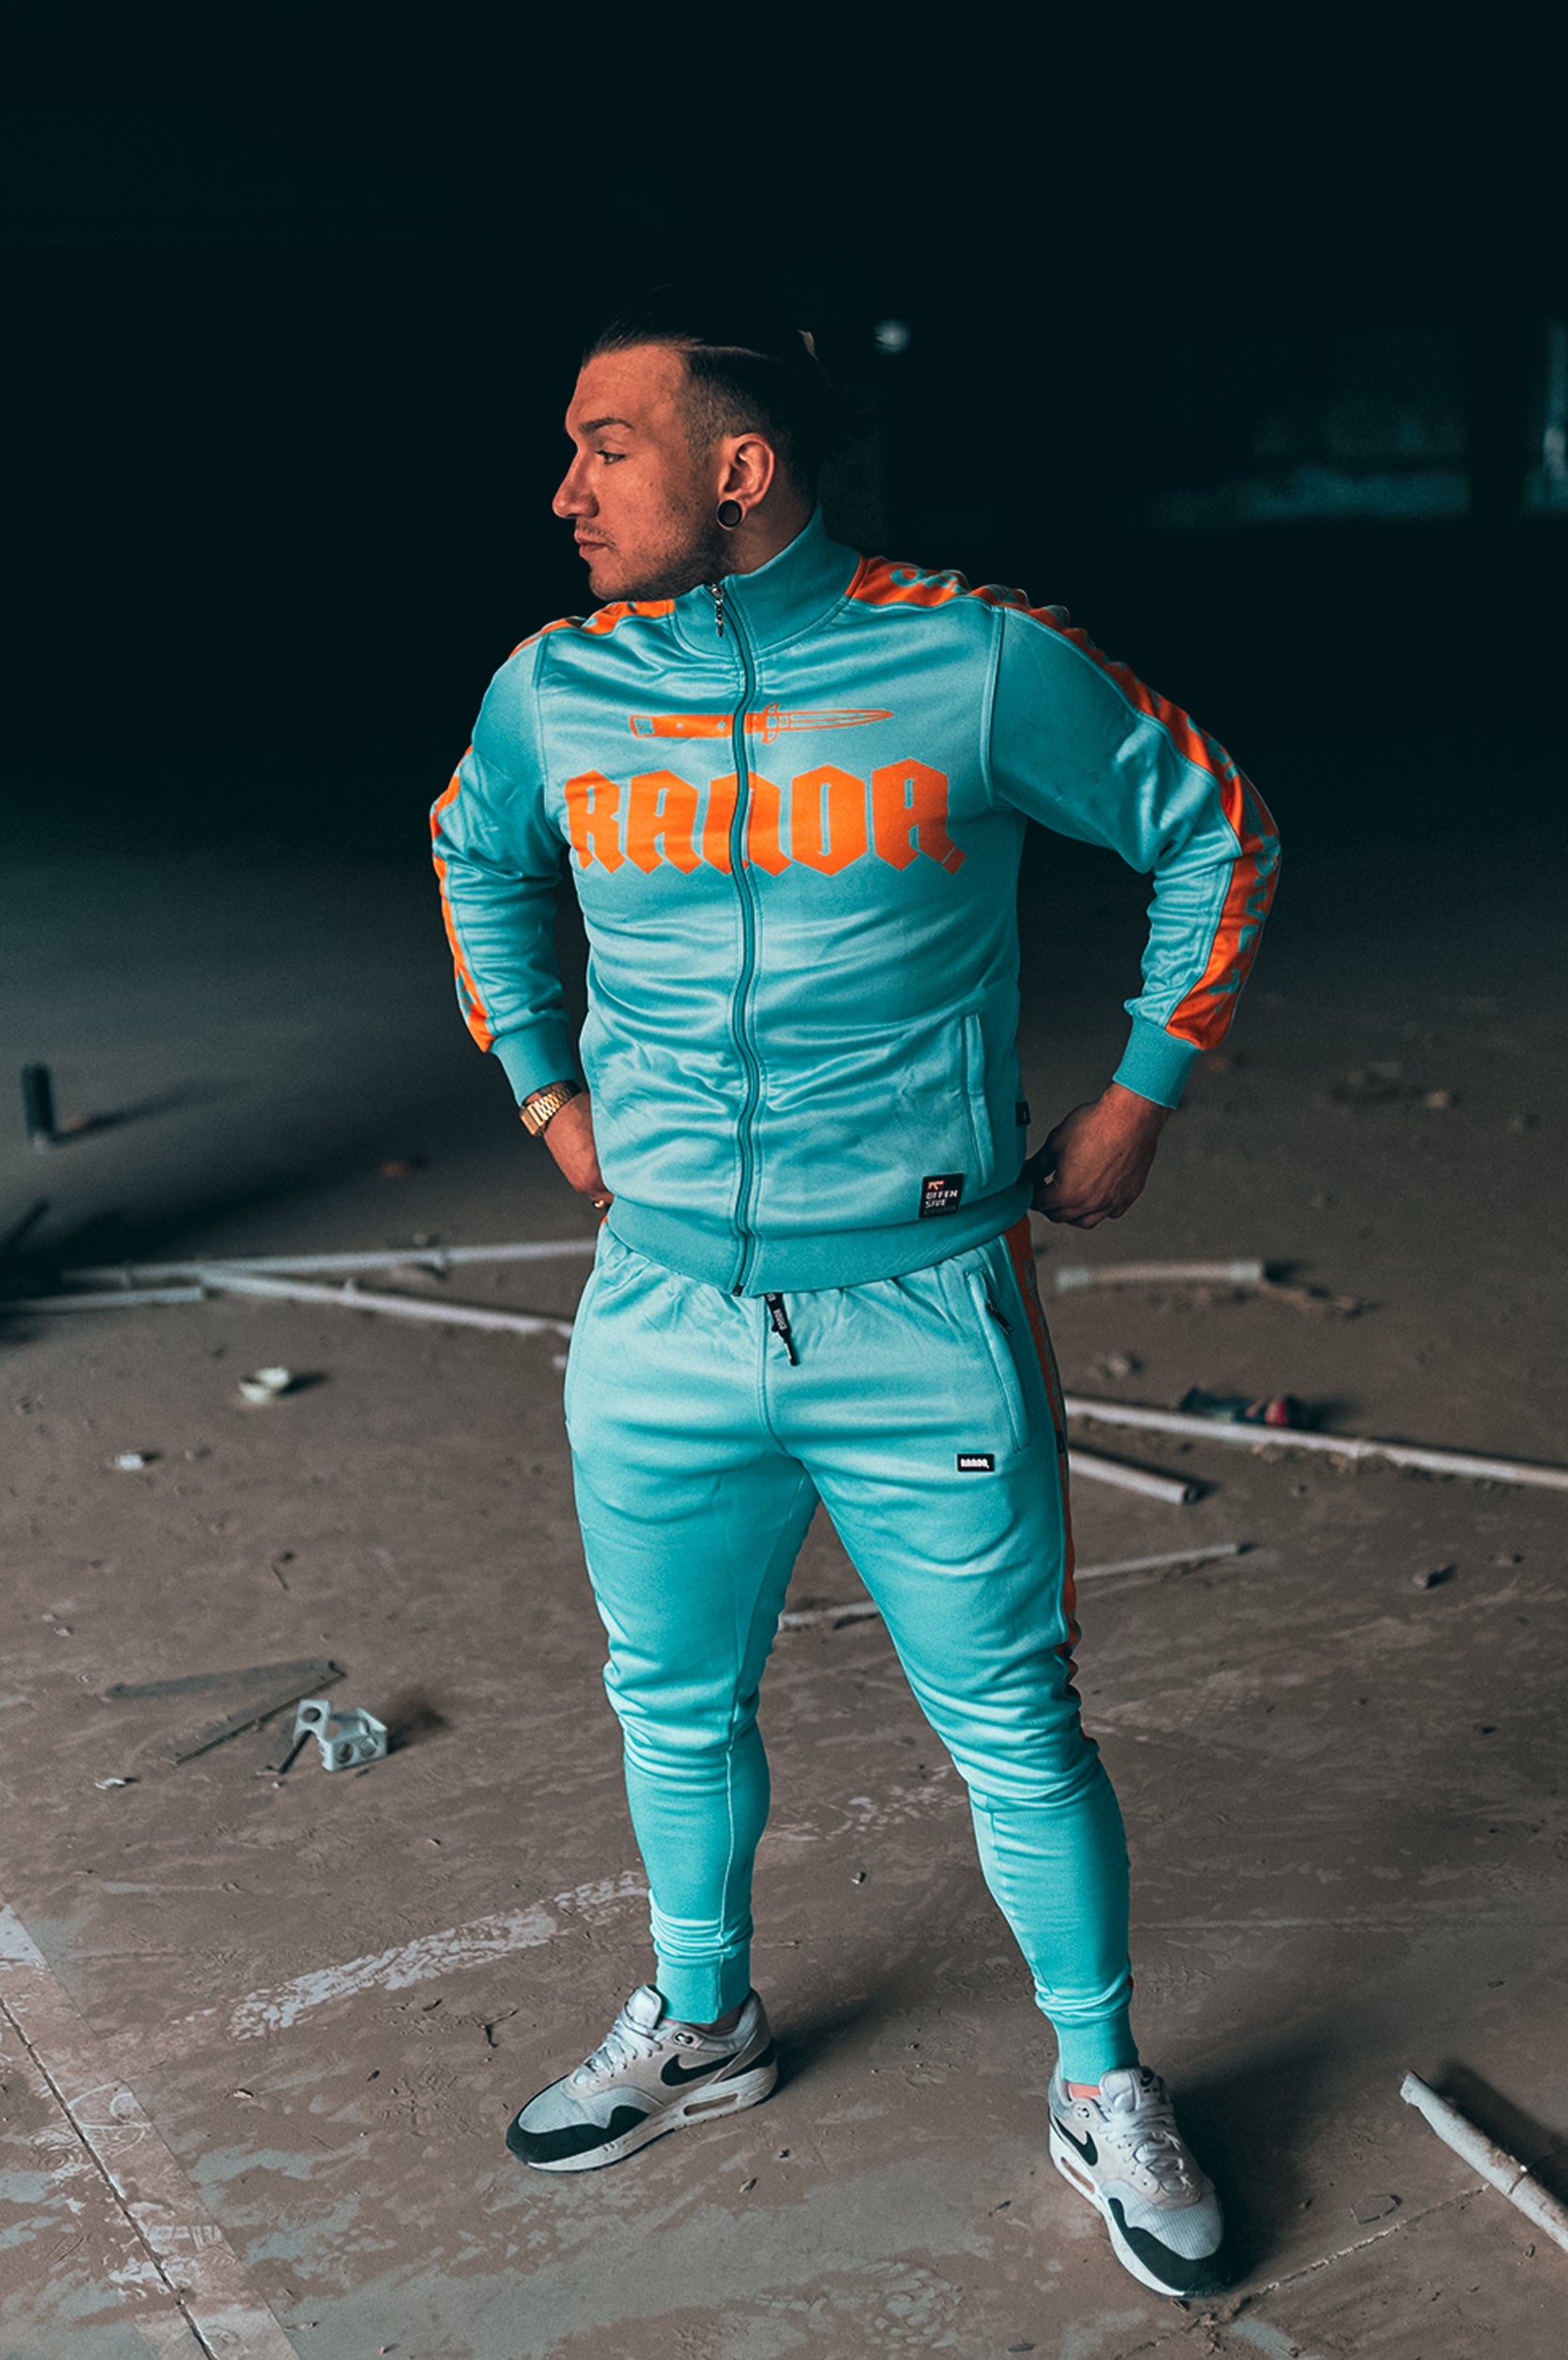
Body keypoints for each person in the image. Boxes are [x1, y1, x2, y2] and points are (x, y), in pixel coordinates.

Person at [431, 287, 1279, 2299]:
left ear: (739, 467)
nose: (562, 493)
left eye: (604, 449)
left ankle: (1099, 2079)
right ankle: (699, 2021)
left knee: (1015, 1722)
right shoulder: (554, 690)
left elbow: (1213, 832)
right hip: (656, 1316)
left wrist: (1140, 1096)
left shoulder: (970, 661)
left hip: (919, 1308)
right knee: (667, 1700)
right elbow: (473, 855)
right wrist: (544, 1089)